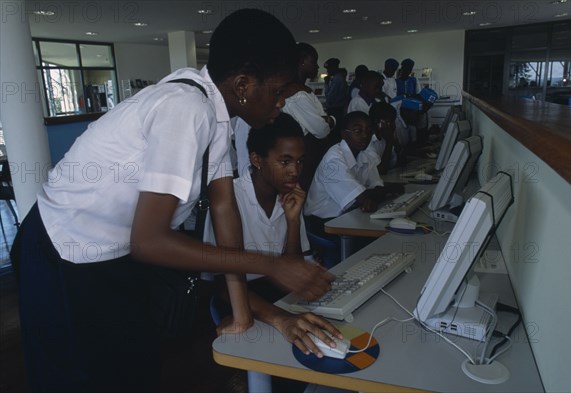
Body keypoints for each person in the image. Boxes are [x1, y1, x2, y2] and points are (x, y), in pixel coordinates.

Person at [15, 9, 333, 392]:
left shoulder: (217, 116)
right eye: (279, 91)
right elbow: (149, 241)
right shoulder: (186, 108)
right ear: (244, 84)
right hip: (62, 249)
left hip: (112, 250)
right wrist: (272, 264)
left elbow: (223, 206)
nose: (282, 103)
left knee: (136, 364)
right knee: (80, 376)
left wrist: (242, 312)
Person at [204, 113, 342, 357]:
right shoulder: (230, 199)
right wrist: (281, 318)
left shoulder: (290, 195)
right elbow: (220, 284)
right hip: (242, 297)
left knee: (326, 335)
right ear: (257, 160)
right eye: (285, 161)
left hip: (282, 294)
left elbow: (293, 265)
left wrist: (292, 221)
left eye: (300, 162)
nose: (294, 171)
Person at [304, 111, 404, 261]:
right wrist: (388, 190)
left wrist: (375, 194)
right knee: (379, 242)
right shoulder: (334, 160)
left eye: (369, 131)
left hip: (348, 215)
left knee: (389, 234)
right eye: (358, 131)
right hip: (324, 222)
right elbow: (363, 198)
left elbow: (376, 188)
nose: (365, 135)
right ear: (344, 134)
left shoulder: (364, 155)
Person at [282, 43, 335, 192]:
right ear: (302, 62)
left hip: (310, 155)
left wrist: (327, 120)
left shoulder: (303, 91)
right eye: (314, 61)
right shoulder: (297, 94)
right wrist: (328, 120)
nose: (317, 67)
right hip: (305, 156)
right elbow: (321, 129)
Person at [395, 58, 430, 147]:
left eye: (410, 69)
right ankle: (409, 144)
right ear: (402, 68)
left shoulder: (414, 80)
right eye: (406, 68)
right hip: (401, 108)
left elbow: (418, 94)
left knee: (422, 115)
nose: (408, 71)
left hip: (413, 106)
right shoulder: (395, 82)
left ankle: (420, 141)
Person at [368, 102, 405, 174]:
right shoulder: (369, 141)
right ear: (377, 122)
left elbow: (401, 162)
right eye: (390, 122)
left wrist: (394, 141)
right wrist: (389, 141)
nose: (393, 126)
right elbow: (381, 170)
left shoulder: (384, 137)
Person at [323, 58, 348, 128]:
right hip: (338, 109)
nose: (327, 71)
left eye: (329, 68)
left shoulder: (337, 79)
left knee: (334, 132)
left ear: (334, 67)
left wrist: (326, 84)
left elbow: (329, 97)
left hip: (335, 110)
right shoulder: (338, 78)